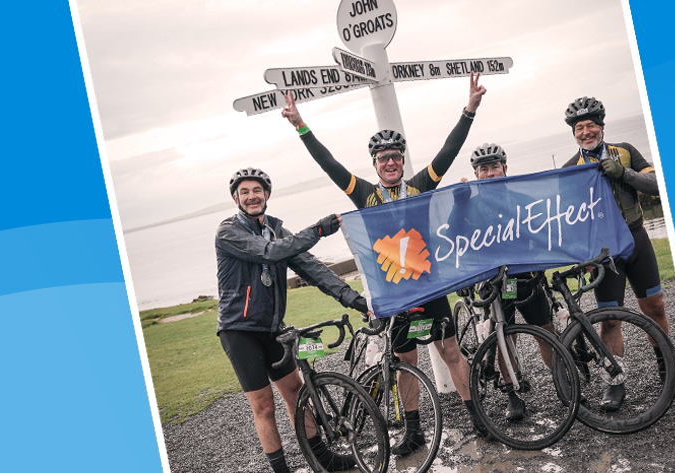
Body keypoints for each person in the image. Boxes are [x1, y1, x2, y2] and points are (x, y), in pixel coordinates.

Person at [280, 73, 491, 451]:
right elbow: (329, 163)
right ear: (375, 164)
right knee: (404, 361)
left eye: (396, 157)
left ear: (402, 160)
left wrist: (469, 110)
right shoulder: (363, 194)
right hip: (396, 295)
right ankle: (414, 431)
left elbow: (449, 151)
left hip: (430, 286)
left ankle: (478, 418)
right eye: (384, 158)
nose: (391, 162)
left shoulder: (419, 186)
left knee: (452, 352)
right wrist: (301, 126)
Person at [215, 167, 370, 473]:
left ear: (267, 195)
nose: (251, 196)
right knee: (264, 405)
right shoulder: (228, 232)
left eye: (256, 190)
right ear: (236, 198)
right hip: (239, 331)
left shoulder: (277, 230)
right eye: (244, 192)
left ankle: (322, 458)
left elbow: (314, 270)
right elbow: (270, 253)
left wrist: (356, 301)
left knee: (297, 393)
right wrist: (318, 230)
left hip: (273, 329)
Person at [561, 97, 675, 412]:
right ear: (574, 133)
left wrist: (623, 173)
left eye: (591, 125)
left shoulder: (625, 151)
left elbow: (656, 184)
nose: (586, 131)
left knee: (656, 307)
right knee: (609, 319)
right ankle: (615, 382)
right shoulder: (570, 170)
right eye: (579, 127)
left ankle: (669, 369)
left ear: (602, 126)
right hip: (604, 253)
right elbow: (567, 220)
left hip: (637, 239)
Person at [458, 143, 556, 422]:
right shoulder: (471, 206)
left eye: (494, 166)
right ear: (476, 174)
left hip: (526, 278)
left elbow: (543, 232)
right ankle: (513, 395)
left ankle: (563, 384)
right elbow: (454, 234)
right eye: (483, 169)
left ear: (505, 168)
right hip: (493, 283)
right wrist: (458, 203)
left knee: (546, 331)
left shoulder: (522, 198)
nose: (490, 173)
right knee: (504, 337)